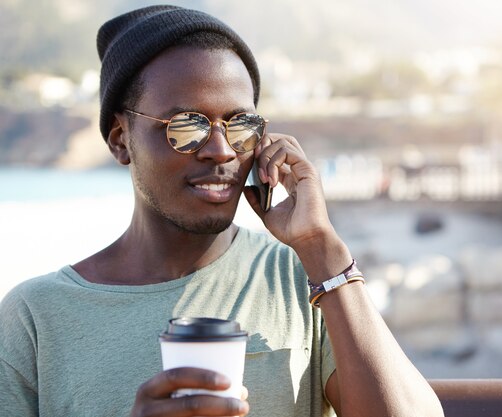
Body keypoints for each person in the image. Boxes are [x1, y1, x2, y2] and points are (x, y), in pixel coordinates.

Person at [0, 5, 444, 417]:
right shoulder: (35, 317)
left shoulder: (303, 280)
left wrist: (322, 248)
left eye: (241, 125)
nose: (221, 149)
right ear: (120, 139)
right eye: (186, 125)